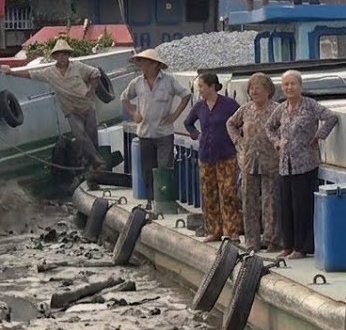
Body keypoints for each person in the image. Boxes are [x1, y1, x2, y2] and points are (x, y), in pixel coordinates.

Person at [265, 70, 338, 260]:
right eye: (286, 84)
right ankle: (287, 245)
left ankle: (301, 247)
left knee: (301, 207)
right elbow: (269, 127)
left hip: (305, 164)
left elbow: (331, 118)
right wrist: (276, 142)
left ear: (300, 86)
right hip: (285, 164)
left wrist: (319, 136)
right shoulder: (281, 109)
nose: (289, 87)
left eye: (292, 84)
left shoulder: (310, 106)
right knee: (285, 206)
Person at [5, 38, 104, 172]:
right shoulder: (49, 72)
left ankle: (90, 165)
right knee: (80, 136)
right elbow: (30, 74)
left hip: (87, 106)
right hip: (71, 110)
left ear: (68, 55)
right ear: (55, 56)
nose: (62, 57)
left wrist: (91, 91)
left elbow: (95, 73)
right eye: (59, 54)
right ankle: (97, 162)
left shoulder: (78, 67)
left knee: (92, 136)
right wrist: (11, 72)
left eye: (65, 54)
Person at [121, 49, 192, 204]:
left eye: (144, 62)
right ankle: (151, 200)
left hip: (164, 133)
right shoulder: (137, 83)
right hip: (145, 133)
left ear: (154, 64)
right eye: (140, 63)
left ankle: (164, 201)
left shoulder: (169, 81)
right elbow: (124, 98)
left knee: (164, 167)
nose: (141, 66)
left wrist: (174, 115)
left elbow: (186, 95)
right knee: (147, 170)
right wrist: (133, 113)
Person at [183, 73, 242, 244]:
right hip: (206, 156)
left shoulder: (229, 105)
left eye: (201, 86)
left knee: (228, 192)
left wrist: (238, 139)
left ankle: (232, 231)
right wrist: (196, 135)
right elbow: (188, 122)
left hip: (226, 154)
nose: (199, 90)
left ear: (211, 86)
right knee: (209, 193)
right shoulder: (200, 106)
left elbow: (241, 121)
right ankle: (214, 229)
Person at [227, 72, 282, 252]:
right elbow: (231, 124)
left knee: (270, 202)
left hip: (270, 161)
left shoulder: (277, 109)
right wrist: (238, 140)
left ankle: (271, 239)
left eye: (258, 88)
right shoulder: (245, 109)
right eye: (251, 88)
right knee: (248, 201)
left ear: (268, 91)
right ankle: (252, 241)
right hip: (249, 161)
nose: (254, 91)